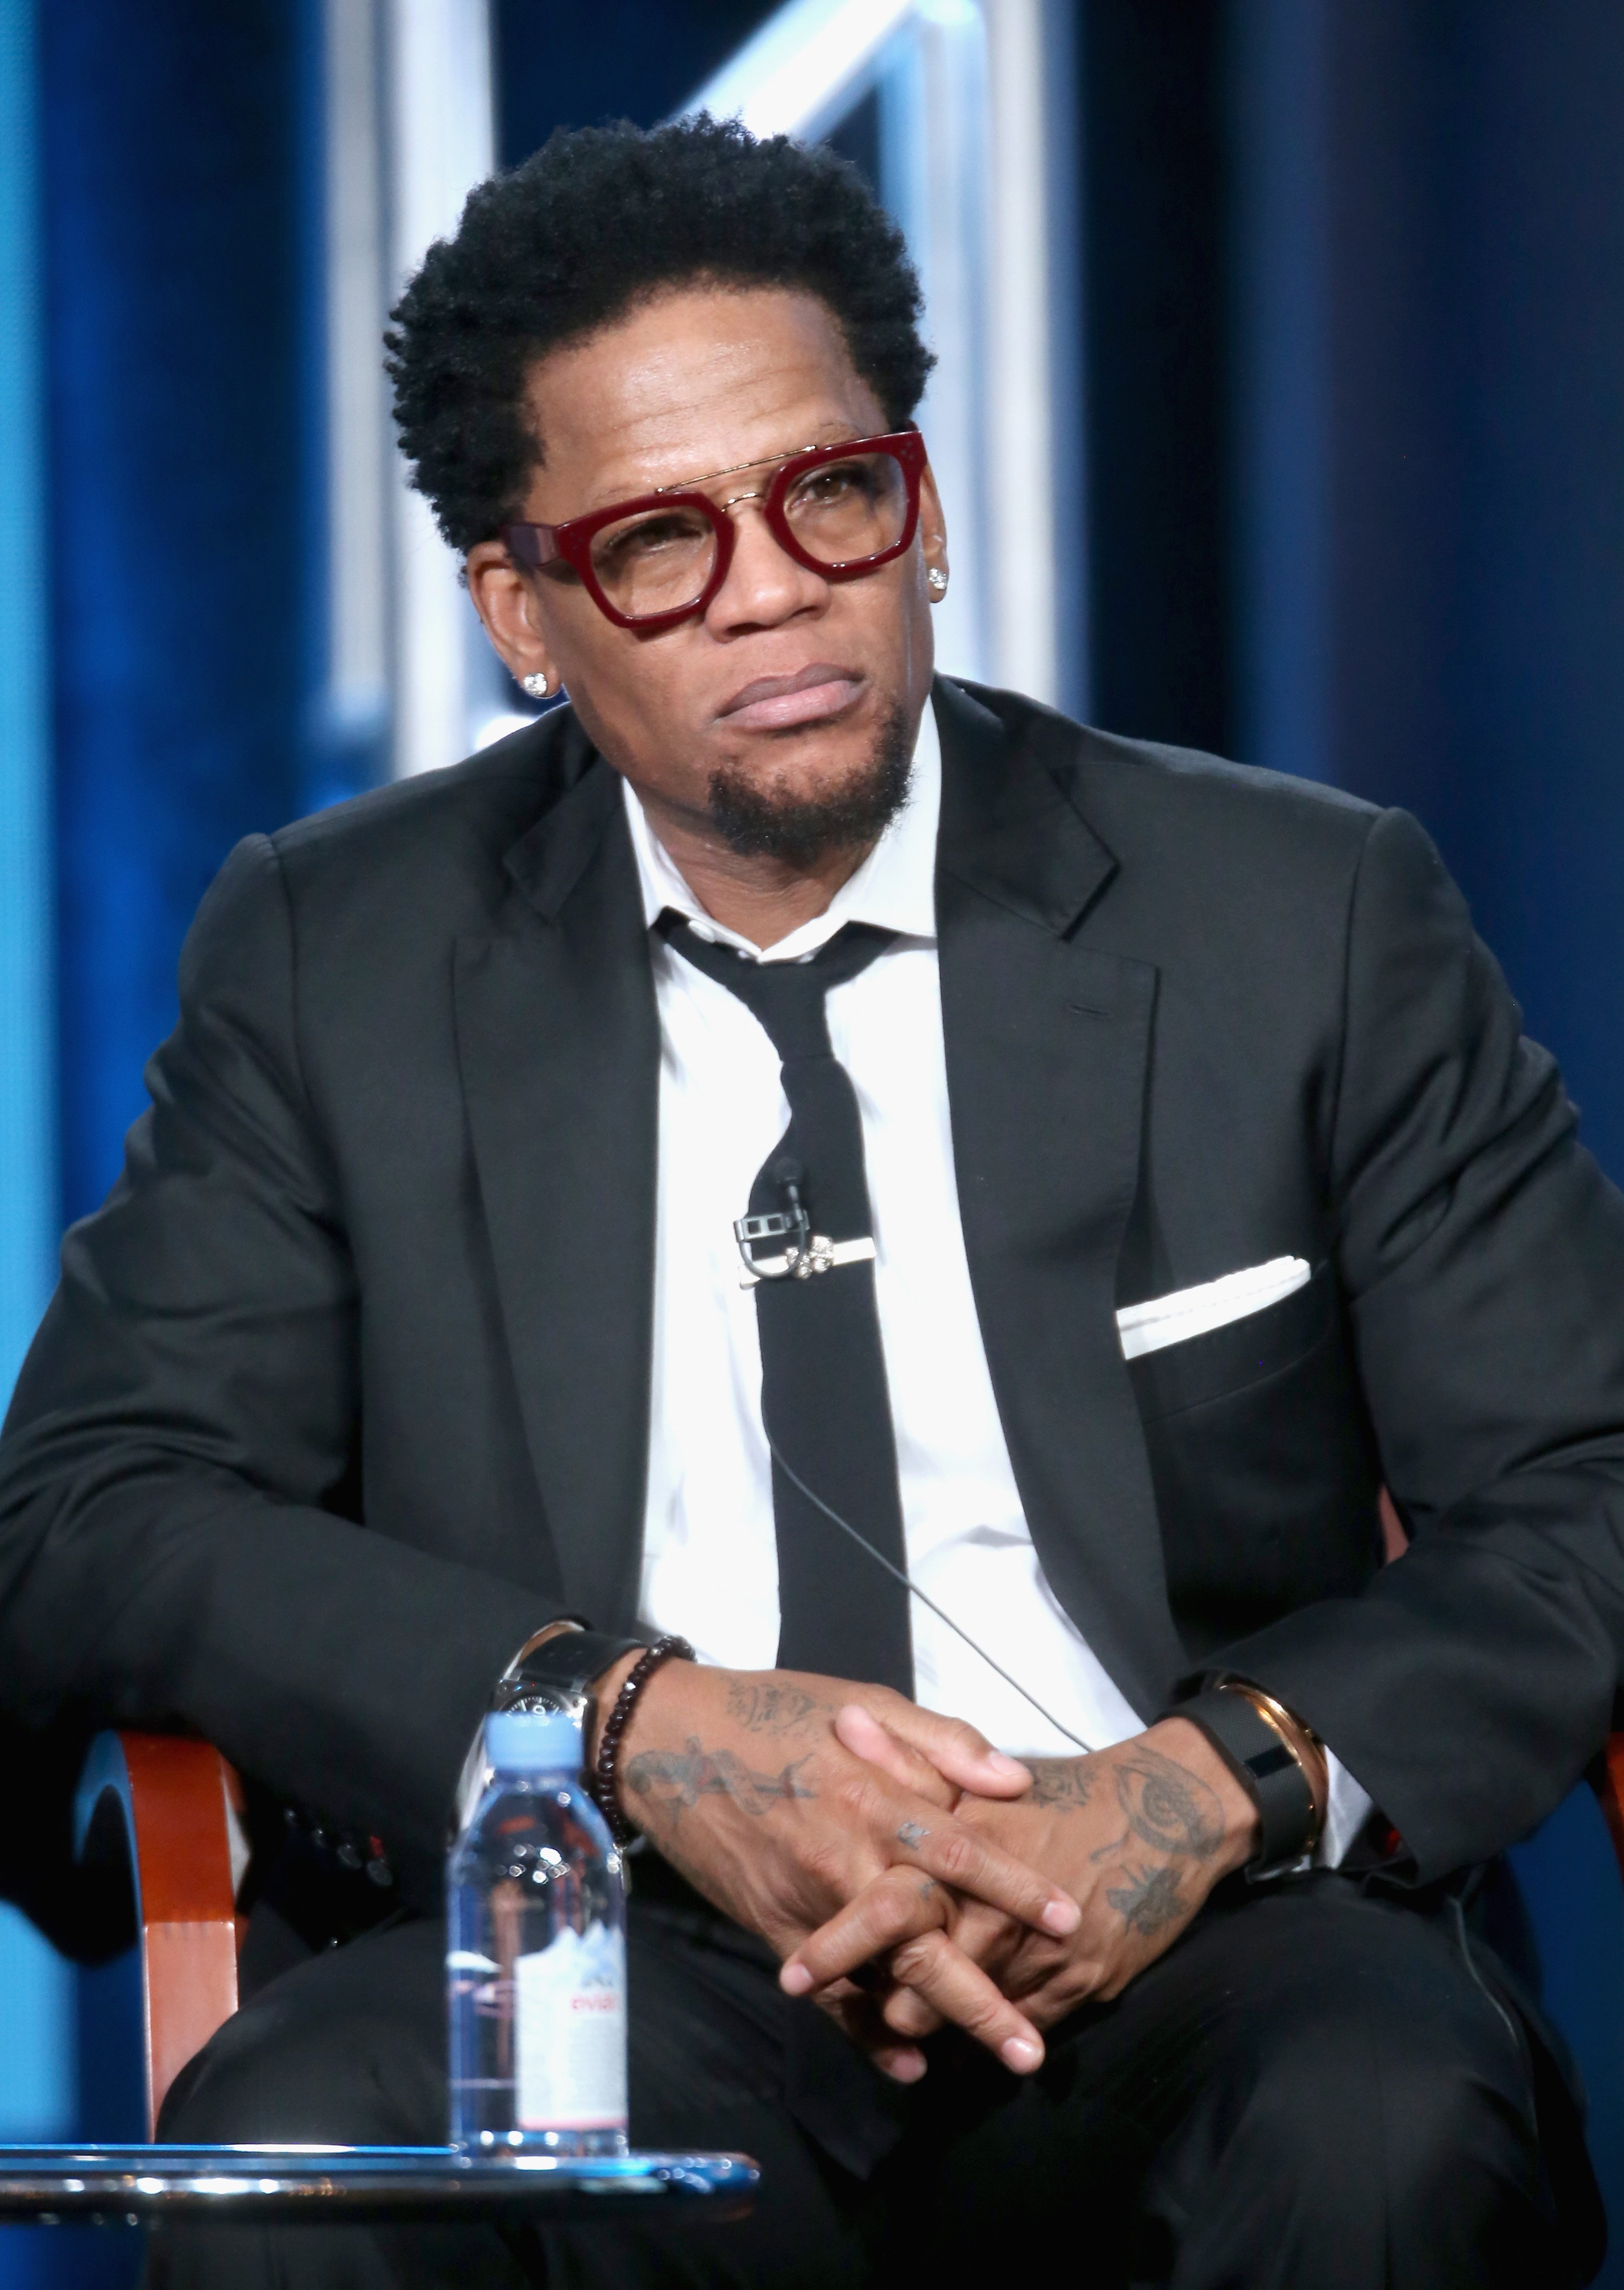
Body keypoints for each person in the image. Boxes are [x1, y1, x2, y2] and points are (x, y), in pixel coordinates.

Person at [2, 113, 1621, 2290]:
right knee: (309, 2148)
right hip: (602, 1970)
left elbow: (1581, 1488)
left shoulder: (1304, 916)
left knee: (1387, 2121)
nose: (772, 588)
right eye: (661, 542)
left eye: (829, 493)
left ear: (922, 510)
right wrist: (629, 1727)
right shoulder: (337, 956)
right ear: (524, 612)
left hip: (1197, 1934)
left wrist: (1201, 1790)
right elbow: (96, 1504)